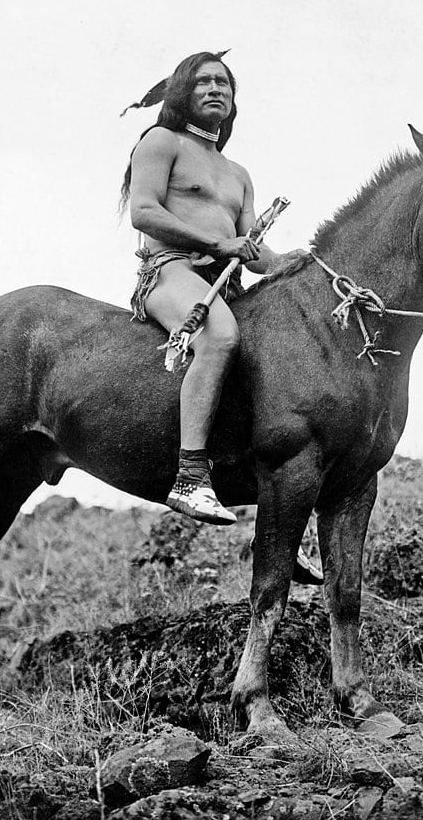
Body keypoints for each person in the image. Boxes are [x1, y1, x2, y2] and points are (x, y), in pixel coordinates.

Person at [120, 51, 305, 525]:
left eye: (223, 83)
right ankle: (189, 479)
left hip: (225, 283)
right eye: (203, 82)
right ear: (184, 91)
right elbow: (144, 212)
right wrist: (219, 242)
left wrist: (287, 260)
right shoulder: (161, 142)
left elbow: (252, 253)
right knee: (220, 336)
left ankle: (275, 510)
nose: (215, 89)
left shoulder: (238, 174)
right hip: (170, 272)